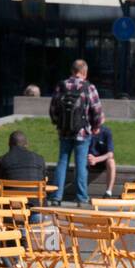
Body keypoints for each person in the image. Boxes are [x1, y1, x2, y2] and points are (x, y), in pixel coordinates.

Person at [47, 59, 104, 206]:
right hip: (82, 132)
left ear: (72, 71)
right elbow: (96, 110)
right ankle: (81, 197)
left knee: (62, 162)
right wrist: (96, 125)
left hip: (64, 131)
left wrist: (57, 123)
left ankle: (56, 196)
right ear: (84, 73)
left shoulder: (62, 85)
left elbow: (53, 108)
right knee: (81, 164)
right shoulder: (88, 87)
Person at [86, 124, 117, 197]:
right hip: (89, 159)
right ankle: (81, 192)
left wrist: (96, 159)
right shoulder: (86, 131)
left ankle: (108, 192)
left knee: (111, 162)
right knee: (79, 162)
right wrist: (88, 158)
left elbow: (110, 154)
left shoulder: (106, 131)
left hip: (102, 160)